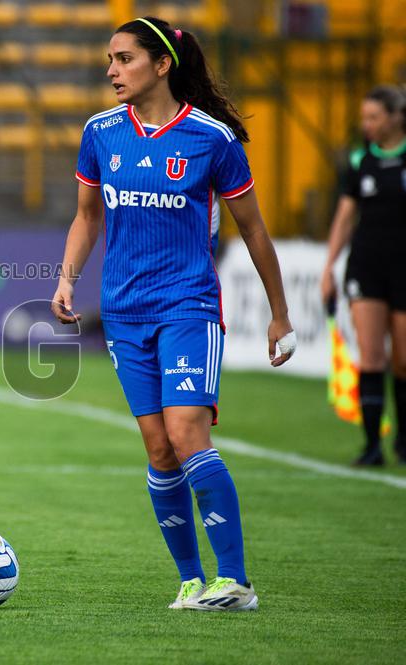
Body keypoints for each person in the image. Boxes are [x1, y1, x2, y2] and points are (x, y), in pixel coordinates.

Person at [50, 16, 294, 611]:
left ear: (163, 65)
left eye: (125, 58)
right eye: (109, 59)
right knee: (159, 449)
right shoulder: (101, 133)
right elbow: (88, 216)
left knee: (188, 433)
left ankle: (234, 581)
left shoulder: (212, 139)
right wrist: (66, 279)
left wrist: (279, 314)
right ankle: (191, 581)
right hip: (124, 314)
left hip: (188, 306)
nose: (111, 70)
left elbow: (254, 229)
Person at [320, 85, 406, 466]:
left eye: (373, 116)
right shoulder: (359, 160)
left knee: (403, 360)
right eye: (364, 117)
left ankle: (403, 441)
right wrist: (329, 268)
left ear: (395, 116)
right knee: (371, 356)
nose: (366, 124)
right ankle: (372, 445)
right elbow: (344, 217)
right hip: (366, 266)